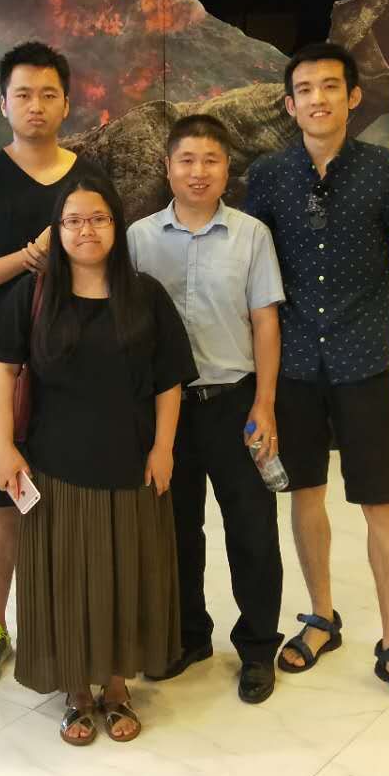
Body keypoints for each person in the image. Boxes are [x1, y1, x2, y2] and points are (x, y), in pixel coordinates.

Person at [244, 42, 389, 711]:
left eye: (330, 86)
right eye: (305, 89)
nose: (317, 99)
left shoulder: (387, 171)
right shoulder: (269, 176)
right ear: (289, 103)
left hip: (364, 362)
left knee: (380, 501)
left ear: (353, 97)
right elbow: (256, 265)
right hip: (295, 361)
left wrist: (378, 309)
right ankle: (321, 616)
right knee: (305, 493)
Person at [0, 174, 197, 743]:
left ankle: (117, 685)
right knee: (67, 580)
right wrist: (4, 446)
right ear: (57, 231)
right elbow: (4, 372)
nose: (87, 230)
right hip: (54, 466)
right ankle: (77, 689)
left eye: (99, 218)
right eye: (74, 220)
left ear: (116, 226)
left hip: (131, 463)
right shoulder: (34, 295)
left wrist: (163, 448)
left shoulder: (145, 295)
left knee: (126, 577)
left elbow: (169, 382)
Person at [0, 41, 101, 686]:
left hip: (81, 373)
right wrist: (29, 257)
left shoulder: (91, 180)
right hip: (2, 370)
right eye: (23, 94)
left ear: (67, 103)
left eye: (48, 94)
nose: (36, 106)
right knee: (1, 499)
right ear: (2, 103)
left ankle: (69, 625)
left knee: (75, 500)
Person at [127, 114, 287, 705]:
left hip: (234, 401)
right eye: (187, 160)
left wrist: (265, 404)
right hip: (165, 410)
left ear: (227, 169)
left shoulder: (251, 235)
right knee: (175, 529)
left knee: (251, 529)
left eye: (210, 160)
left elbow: (265, 322)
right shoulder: (138, 238)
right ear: (167, 167)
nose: (198, 172)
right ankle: (188, 635)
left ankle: (257, 647)